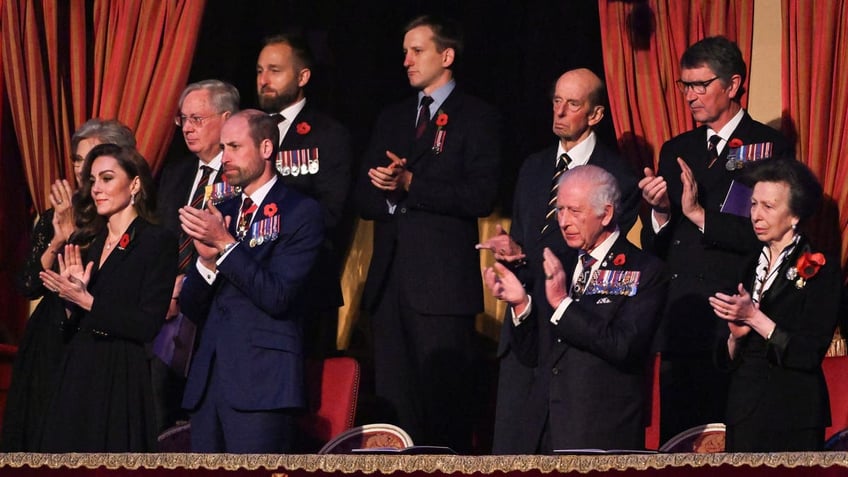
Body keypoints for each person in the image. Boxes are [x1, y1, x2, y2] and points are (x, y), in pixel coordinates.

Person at [354, 15, 501, 452]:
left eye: (417, 51)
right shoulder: (393, 117)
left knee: (444, 411)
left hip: (441, 289)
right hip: (388, 287)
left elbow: (480, 196)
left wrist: (413, 185)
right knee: (396, 413)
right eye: (404, 52)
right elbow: (362, 196)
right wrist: (387, 189)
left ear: (447, 55)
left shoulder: (477, 116)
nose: (407, 61)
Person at [474, 68, 640, 453]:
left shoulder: (617, 176)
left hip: (571, 338)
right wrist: (511, 252)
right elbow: (525, 238)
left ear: (596, 115)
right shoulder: (533, 167)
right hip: (523, 328)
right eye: (556, 101)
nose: (560, 112)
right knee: (512, 452)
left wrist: (526, 256)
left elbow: (597, 254)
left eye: (573, 104)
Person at [638, 36, 792, 442]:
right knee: (679, 444)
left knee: (731, 444)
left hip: (734, 315)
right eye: (685, 85)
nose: (690, 96)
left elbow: (768, 234)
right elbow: (656, 246)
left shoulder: (767, 147)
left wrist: (699, 215)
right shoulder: (677, 148)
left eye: (700, 85)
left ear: (734, 84)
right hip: (682, 317)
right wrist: (660, 211)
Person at [483, 165, 666, 452]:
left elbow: (623, 346)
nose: (563, 221)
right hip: (544, 430)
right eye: (559, 210)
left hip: (599, 432)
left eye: (575, 211)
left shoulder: (644, 270)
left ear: (605, 214)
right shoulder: (559, 262)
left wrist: (562, 305)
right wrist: (521, 305)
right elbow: (534, 355)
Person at [178, 109, 323, 453]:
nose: (224, 157)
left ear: (266, 148)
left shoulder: (300, 212)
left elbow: (278, 296)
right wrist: (205, 261)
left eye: (234, 147)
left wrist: (226, 246)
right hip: (209, 382)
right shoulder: (222, 210)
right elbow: (191, 307)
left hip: (262, 383)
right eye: (222, 148)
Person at [1, 120, 136, 451]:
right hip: (48, 337)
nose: (81, 168)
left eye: (91, 159)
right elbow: (29, 284)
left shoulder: (124, 217)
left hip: (92, 337)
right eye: (77, 159)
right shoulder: (57, 215)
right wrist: (60, 237)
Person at [38, 143, 177, 452]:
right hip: (77, 368)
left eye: (107, 178)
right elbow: (70, 324)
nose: (96, 189)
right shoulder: (93, 242)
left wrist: (87, 301)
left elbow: (146, 324)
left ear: (135, 183)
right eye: (93, 180)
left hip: (119, 374)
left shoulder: (157, 241)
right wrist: (70, 300)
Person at [710, 159, 840, 452]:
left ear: (794, 215)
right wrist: (734, 337)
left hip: (794, 411)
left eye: (768, 207)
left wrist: (755, 318)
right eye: (754, 204)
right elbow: (723, 359)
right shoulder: (745, 265)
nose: (756, 214)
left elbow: (808, 354)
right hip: (743, 409)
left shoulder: (822, 268)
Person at [257, 32, 353, 357]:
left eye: (274, 70)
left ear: (303, 76)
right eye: (259, 71)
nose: (264, 80)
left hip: (304, 285)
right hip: (248, 283)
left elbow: (331, 212)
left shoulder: (328, 134)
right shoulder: (247, 130)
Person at [153, 79, 239, 434]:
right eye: (182, 119)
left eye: (197, 119)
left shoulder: (240, 173)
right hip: (166, 311)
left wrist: (186, 285)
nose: (187, 128)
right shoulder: (176, 173)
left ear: (226, 118)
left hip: (216, 306)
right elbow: (159, 241)